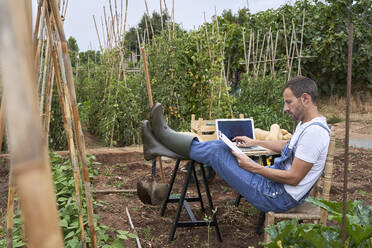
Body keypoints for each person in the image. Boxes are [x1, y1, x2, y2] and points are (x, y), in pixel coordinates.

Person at [140, 76, 330, 212]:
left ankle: (163, 140)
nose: (285, 108)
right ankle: (160, 144)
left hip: (276, 197)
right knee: (222, 147)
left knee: (216, 153)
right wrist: (253, 141)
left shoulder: (314, 133)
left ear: (305, 98)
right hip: (273, 187)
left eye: (288, 102)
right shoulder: (307, 125)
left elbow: (293, 178)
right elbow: (289, 146)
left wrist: (254, 167)